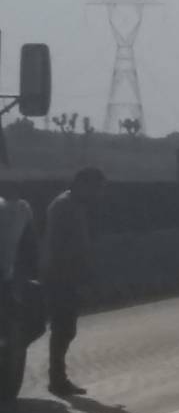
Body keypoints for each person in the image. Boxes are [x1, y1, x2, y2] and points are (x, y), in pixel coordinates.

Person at [43, 167, 105, 396]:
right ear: (82, 184)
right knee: (63, 327)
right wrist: (75, 272)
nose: (97, 194)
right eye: (95, 188)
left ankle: (58, 377)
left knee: (66, 327)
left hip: (67, 273)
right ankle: (57, 379)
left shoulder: (74, 205)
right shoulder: (63, 206)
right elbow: (63, 245)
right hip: (61, 274)